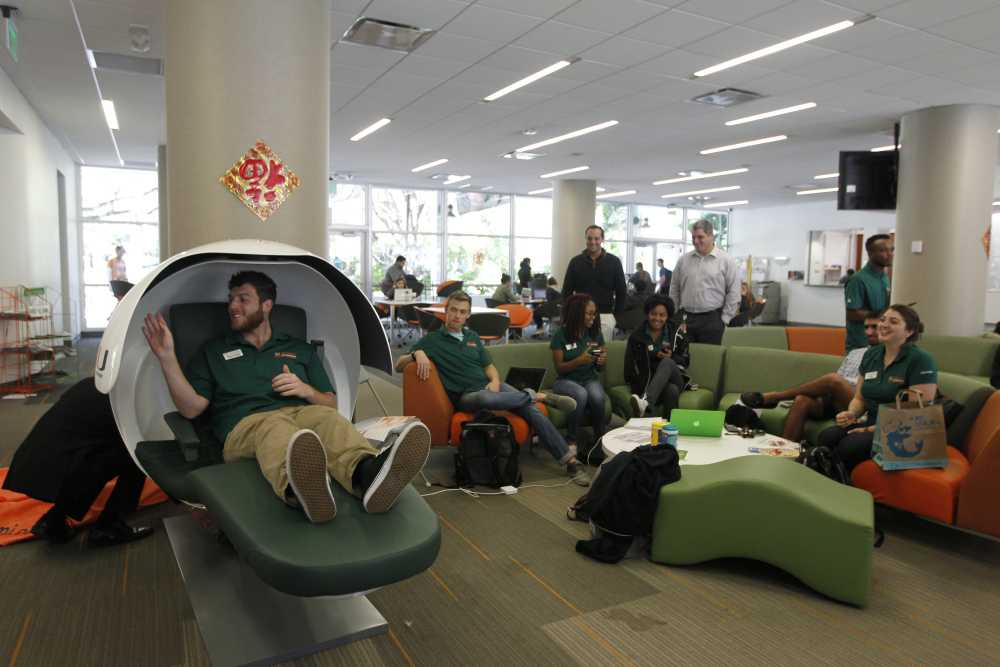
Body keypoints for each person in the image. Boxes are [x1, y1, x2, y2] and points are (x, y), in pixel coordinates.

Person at [142, 270, 431, 524]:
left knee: (325, 419)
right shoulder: (214, 351)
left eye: (243, 299)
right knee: (276, 428)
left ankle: (366, 477)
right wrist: (167, 357)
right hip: (245, 426)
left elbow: (332, 404)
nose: (233, 306)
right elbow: (192, 410)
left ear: (266, 305)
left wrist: (304, 389)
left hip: (303, 416)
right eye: (231, 299)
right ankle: (299, 489)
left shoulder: (298, 349)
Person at [397, 291, 589, 485]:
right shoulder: (432, 340)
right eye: (453, 310)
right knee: (485, 399)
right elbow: (398, 365)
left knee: (530, 411)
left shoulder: (472, 336)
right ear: (446, 312)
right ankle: (538, 396)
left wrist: (496, 380)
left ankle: (570, 461)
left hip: (491, 387)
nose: (457, 315)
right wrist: (416, 354)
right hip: (467, 396)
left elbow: (488, 366)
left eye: (462, 312)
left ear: (468, 315)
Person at [3, 377, 154, 547]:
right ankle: (110, 526)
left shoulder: (95, 384)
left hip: (36, 461)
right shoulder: (125, 398)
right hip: (57, 467)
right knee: (138, 455)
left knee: (103, 455)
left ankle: (54, 521)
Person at [818, 305, 938, 473]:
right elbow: (860, 399)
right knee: (828, 436)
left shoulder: (921, 360)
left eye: (893, 321)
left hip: (901, 430)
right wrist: (851, 414)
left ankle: (842, 488)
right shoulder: (871, 355)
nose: (883, 324)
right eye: (882, 320)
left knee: (850, 445)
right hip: (871, 421)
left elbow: (915, 413)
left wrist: (869, 430)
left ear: (909, 331)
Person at [740, 313, 882, 443]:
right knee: (803, 399)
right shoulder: (855, 353)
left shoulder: (886, 357)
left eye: (874, 327)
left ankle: (775, 397)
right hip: (837, 401)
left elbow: (849, 386)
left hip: (859, 406)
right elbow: (838, 381)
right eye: (866, 327)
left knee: (834, 379)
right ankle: (785, 451)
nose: (869, 332)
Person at [550, 294, 609, 454]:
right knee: (581, 394)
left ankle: (599, 440)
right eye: (589, 313)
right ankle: (571, 440)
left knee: (597, 397)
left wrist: (601, 362)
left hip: (589, 378)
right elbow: (560, 368)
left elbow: (599, 368)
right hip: (565, 380)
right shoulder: (561, 335)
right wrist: (579, 361)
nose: (593, 317)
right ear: (577, 313)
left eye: (594, 313)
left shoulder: (594, 334)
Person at [669, 219, 740, 345]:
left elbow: (734, 292)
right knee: (682, 357)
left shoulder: (726, 261)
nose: (696, 241)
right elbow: (674, 288)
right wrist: (673, 314)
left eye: (700, 237)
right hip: (685, 318)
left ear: (711, 236)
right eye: (693, 237)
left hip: (712, 319)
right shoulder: (683, 260)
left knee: (709, 359)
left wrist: (724, 319)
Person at [562, 225, 628, 343]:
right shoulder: (575, 262)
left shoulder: (614, 262)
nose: (593, 242)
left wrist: (618, 317)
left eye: (596, 238)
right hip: (580, 316)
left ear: (602, 239)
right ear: (585, 239)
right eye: (589, 238)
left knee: (600, 352)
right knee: (580, 350)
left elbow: (621, 292)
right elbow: (566, 291)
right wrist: (566, 316)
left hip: (605, 316)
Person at [626, 295, 689, 419]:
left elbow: (686, 360)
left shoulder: (676, 333)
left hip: (675, 377)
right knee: (671, 391)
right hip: (649, 382)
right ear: (647, 313)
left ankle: (645, 402)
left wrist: (672, 357)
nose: (657, 318)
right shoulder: (637, 336)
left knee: (667, 361)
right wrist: (652, 356)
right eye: (653, 314)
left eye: (662, 315)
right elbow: (629, 368)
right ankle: (668, 431)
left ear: (667, 316)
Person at [845, 234, 893, 351]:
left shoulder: (884, 277)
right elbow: (852, 314)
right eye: (883, 250)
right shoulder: (858, 279)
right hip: (861, 344)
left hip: (880, 341)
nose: (890, 254)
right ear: (871, 253)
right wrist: (880, 315)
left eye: (891, 250)